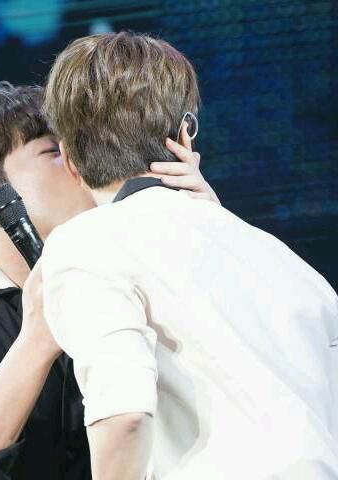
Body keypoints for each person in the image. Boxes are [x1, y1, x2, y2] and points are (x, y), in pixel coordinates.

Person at [0, 81, 219, 480]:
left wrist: (209, 226)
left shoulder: (121, 285)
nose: (79, 162)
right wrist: (35, 343)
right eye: (53, 152)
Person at [33, 32, 338, 480]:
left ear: (69, 159)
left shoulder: (86, 242)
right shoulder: (285, 260)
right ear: (183, 135)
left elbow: (124, 413)